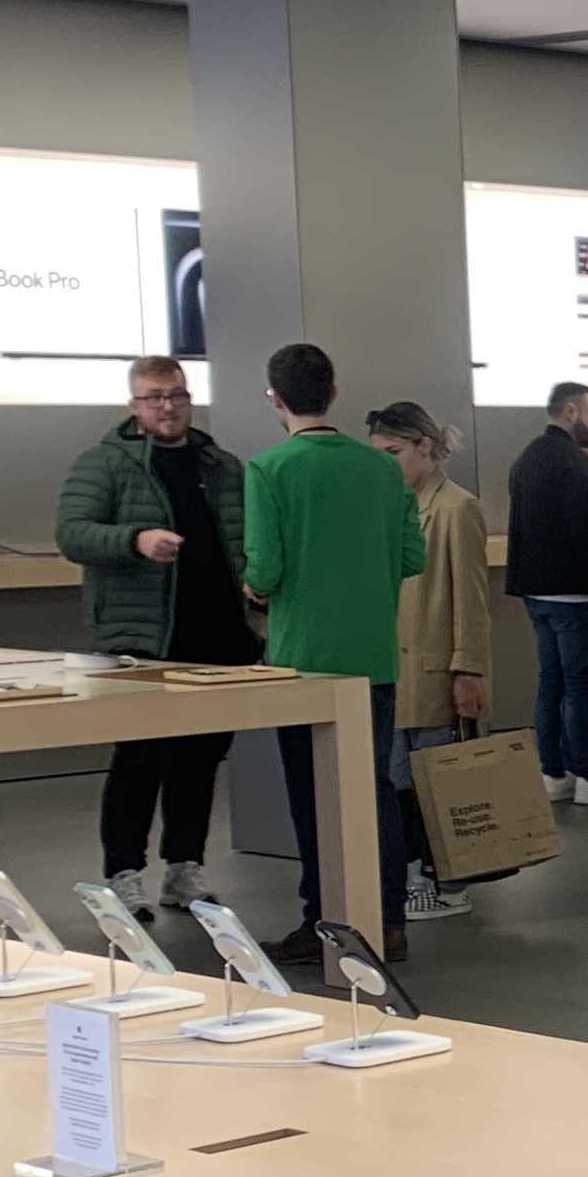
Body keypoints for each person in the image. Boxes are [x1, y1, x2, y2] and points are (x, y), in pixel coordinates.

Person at [242, 340, 425, 943]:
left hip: (303, 659)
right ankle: (390, 919)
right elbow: (410, 555)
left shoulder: (269, 469)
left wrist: (257, 588)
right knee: (372, 785)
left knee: (311, 791)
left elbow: (265, 569)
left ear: (275, 399)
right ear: (335, 392)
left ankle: (321, 919)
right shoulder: (382, 467)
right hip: (372, 652)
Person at [55, 355, 252, 910]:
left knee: (202, 756)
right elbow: (72, 534)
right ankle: (123, 871)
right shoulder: (103, 463)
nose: (167, 406)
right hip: (144, 637)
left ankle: (185, 867)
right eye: (153, 397)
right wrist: (134, 539)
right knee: (140, 756)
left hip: (219, 634)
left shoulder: (220, 464)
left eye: (176, 395)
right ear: (133, 406)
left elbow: (247, 536)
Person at [366, 402, 491, 921]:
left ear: (424, 446)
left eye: (393, 452)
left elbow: (472, 597)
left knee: (441, 783)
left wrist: (468, 668)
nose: (387, 464)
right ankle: (419, 872)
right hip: (396, 668)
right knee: (400, 784)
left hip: (437, 668)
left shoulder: (457, 507)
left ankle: (450, 880)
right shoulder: (389, 506)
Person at [505, 382, 588, 805]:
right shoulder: (573, 465)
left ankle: (554, 772)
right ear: (569, 411)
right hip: (574, 594)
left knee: (551, 683)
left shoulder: (527, 459)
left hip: (535, 592)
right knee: (580, 686)